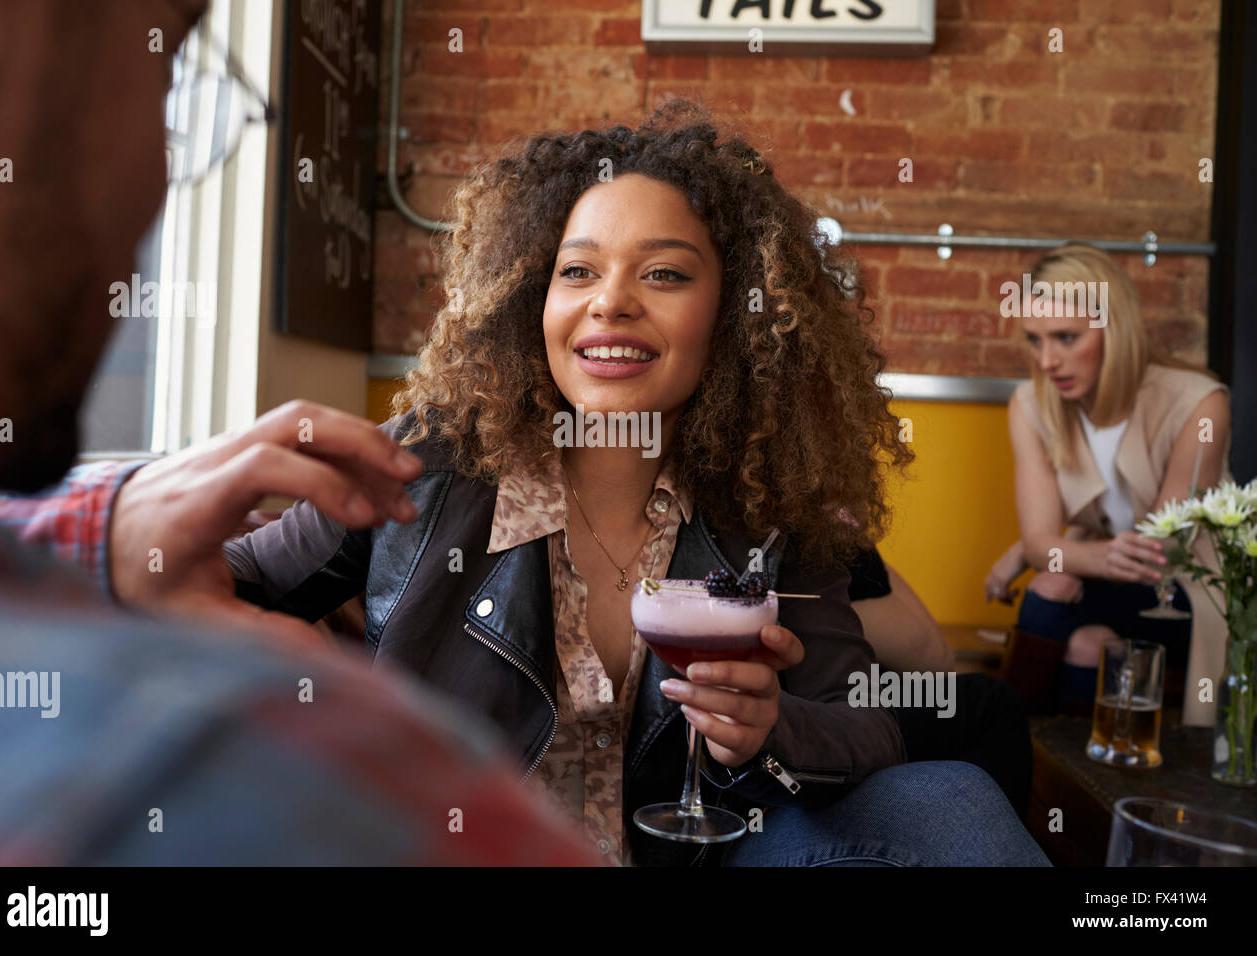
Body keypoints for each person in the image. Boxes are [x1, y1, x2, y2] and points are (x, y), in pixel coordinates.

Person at [215, 103, 1049, 866]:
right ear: (529, 299)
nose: (610, 303)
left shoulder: (769, 506)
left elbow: (864, 723)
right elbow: (231, 579)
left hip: (695, 854)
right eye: (577, 272)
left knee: (953, 799)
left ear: (732, 315)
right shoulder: (427, 462)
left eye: (665, 275)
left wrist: (771, 727)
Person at [0, 0, 593, 865]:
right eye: (168, 68)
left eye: (666, 272)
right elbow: (251, 576)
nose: (162, 168)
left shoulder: (765, 506)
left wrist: (100, 535)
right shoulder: (272, 776)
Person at [991, 244, 1232, 722]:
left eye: (1066, 337)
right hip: (1103, 576)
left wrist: (1036, 552)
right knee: (1087, 644)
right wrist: (1040, 550)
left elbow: (1160, 549)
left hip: (1180, 589)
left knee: (1054, 585)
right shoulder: (1031, 405)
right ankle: (1039, 770)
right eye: (1036, 340)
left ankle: (996, 748)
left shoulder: (1198, 402)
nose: (1047, 361)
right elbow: (1042, 542)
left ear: (1114, 328)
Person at [848, 548, 1033, 821]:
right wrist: (857, 540)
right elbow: (934, 659)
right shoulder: (823, 550)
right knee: (991, 702)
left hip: (806, 714)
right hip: (819, 729)